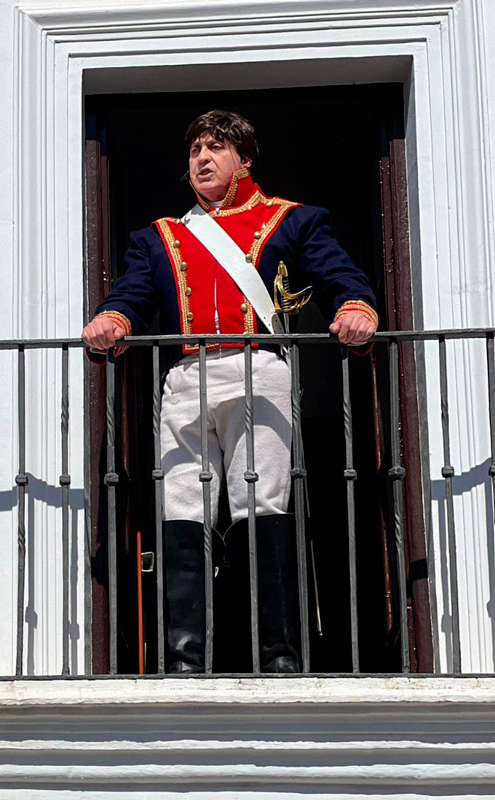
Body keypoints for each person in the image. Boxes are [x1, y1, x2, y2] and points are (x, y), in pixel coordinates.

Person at [80, 110, 378, 673]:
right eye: (194, 150)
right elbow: (132, 295)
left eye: (215, 147)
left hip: (256, 370)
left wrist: (354, 308)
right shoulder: (160, 237)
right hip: (185, 377)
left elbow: (339, 275)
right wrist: (113, 321)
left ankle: (278, 655)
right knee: (181, 510)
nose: (201, 158)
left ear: (244, 159)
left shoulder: (291, 220)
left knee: (261, 504)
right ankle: (185, 657)